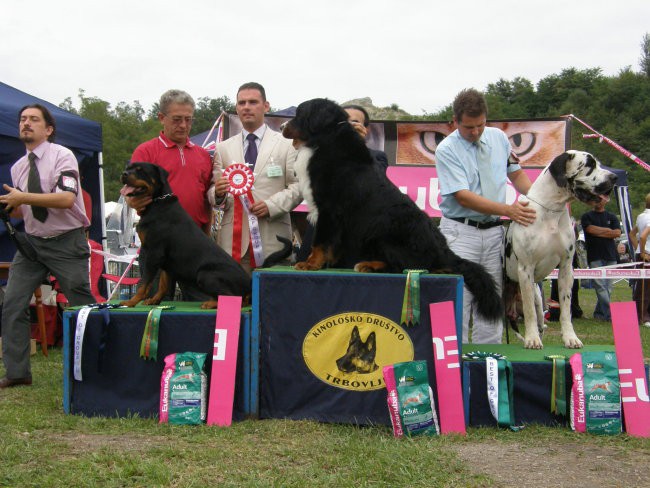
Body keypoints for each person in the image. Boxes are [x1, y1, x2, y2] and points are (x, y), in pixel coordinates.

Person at [0, 104, 95, 388]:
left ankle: (91, 369)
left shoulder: (62, 156)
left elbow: (66, 198)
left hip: (67, 241)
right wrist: (10, 206)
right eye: (22, 120)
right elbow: (25, 209)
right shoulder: (18, 167)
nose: (26, 123)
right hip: (32, 244)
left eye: (33, 120)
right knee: (13, 304)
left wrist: (23, 197)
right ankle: (17, 373)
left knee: (81, 306)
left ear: (48, 129)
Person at [435, 88, 535, 344]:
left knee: (492, 298)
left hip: (493, 232)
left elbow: (517, 175)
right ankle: (455, 361)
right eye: (469, 127)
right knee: (460, 298)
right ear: (454, 121)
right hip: (460, 232)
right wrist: (508, 210)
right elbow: (463, 196)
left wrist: (539, 200)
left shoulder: (500, 138)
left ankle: (491, 360)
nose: (476, 132)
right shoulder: (446, 149)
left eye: (480, 125)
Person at [127, 89, 214, 301]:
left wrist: (207, 235)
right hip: (157, 245)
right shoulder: (145, 152)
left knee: (201, 304)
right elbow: (130, 195)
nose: (183, 126)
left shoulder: (203, 155)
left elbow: (206, 200)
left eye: (188, 119)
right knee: (152, 309)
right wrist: (133, 200)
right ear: (161, 118)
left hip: (194, 246)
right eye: (176, 119)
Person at [211, 82, 301, 274]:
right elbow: (213, 191)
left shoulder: (286, 144)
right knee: (231, 300)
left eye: (253, 102)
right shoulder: (223, 148)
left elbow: (298, 187)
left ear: (266, 106)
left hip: (274, 242)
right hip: (232, 244)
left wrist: (272, 205)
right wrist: (217, 193)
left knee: (271, 301)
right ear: (236, 108)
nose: (246, 107)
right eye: (242, 103)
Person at [581, 200, 621, 321]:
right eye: (595, 200)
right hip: (594, 255)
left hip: (611, 256)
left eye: (600, 199)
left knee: (608, 287)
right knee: (600, 286)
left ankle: (600, 314)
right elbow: (590, 230)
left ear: (605, 201)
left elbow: (617, 233)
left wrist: (601, 232)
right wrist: (608, 231)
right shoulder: (586, 216)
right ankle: (611, 312)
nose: (598, 202)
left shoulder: (612, 216)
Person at [342, 104, 389, 173]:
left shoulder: (378, 157)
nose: (347, 125)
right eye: (342, 121)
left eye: (354, 122)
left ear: (366, 129)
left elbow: (376, 178)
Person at [629, 193, 650, 326]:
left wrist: (638, 250)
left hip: (643, 253)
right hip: (647, 254)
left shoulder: (641, 216)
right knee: (645, 289)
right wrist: (642, 252)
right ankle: (643, 317)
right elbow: (642, 236)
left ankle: (642, 315)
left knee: (642, 287)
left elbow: (632, 234)